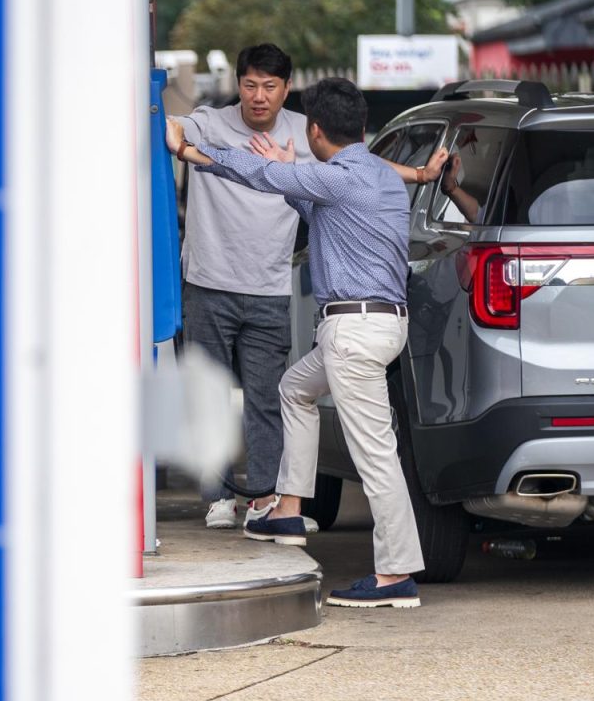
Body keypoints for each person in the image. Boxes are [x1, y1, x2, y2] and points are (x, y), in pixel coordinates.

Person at [167, 78, 427, 608]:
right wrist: (292, 175)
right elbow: (319, 212)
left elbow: (261, 173)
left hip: (354, 331)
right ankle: (287, 507)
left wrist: (195, 152)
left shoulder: (339, 178)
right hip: (376, 327)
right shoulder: (376, 176)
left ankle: (396, 574)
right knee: (294, 389)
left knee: (378, 457)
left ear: (314, 129)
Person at [168, 44, 311, 532]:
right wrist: (175, 131)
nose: (258, 96)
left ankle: (264, 497)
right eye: (250, 84)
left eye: (270, 86)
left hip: (270, 286)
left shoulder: (302, 133)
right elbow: (174, 131)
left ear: (285, 89)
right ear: (239, 84)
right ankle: (218, 497)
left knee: (266, 398)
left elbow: (346, 174)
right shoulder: (212, 121)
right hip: (207, 281)